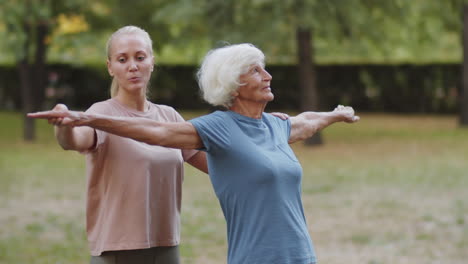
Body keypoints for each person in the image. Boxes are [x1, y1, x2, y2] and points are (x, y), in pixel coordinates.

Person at [29, 43, 359, 264]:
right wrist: (85, 117)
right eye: (257, 70)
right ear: (234, 83)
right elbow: (157, 133)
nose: (268, 76)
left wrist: (335, 115)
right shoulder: (218, 128)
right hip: (256, 256)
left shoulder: (276, 126)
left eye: (264, 69)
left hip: (301, 255)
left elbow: (306, 122)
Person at [41, 25, 208, 264]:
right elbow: (75, 141)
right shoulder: (101, 114)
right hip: (117, 251)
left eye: (140, 57)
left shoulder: (169, 116)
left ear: (152, 61)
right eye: (122, 59)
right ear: (110, 67)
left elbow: (208, 162)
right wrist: (63, 125)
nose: (133, 66)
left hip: (166, 247)